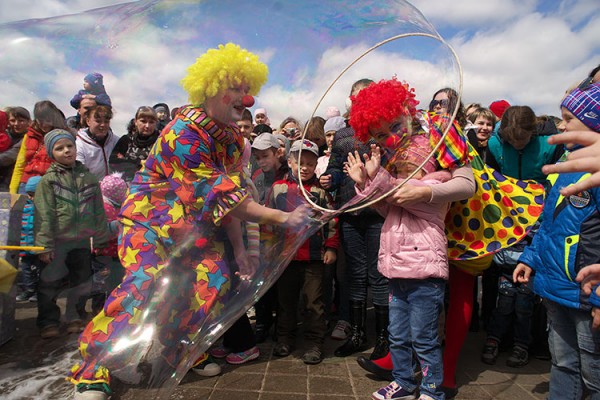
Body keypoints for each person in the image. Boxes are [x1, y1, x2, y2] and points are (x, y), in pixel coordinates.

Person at [68, 43, 309, 400]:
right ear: (211, 88)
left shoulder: (228, 138)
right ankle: (93, 370)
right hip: (148, 224)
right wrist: (283, 216)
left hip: (193, 229)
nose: (247, 99)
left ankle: (164, 351)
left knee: (214, 280)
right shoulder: (184, 133)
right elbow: (224, 197)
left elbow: (226, 201)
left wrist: (241, 250)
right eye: (238, 89)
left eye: (248, 89)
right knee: (143, 287)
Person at [346, 78, 453, 400]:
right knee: (398, 334)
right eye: (379, 134)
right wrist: (365, 181)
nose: (390, 138)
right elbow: (385, 206)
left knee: (424, 337)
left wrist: (376, 178)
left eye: (394, 126)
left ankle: (433, 389)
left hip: (423, 273)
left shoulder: (436, 180)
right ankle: (405, 382)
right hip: (397, 269)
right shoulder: (393, 176)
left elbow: (405, 198)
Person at [513, 82, 600, 399]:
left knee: (594, 374)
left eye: (568, 118)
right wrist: (530, 257)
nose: (560, 126)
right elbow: (548, 222)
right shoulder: (565, 166)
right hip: (555, 286)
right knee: (563, 364)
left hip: (587, 295)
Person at [320, 78, 389, 359]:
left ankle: (385, 337)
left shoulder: (383, 132)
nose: (361, 101)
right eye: (357, 97)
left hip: (377, 213)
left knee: (380, 273)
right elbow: (337, 168)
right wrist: (330, 178)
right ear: (350, 99)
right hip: (350, 213)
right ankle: (358, 334)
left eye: (367, 96)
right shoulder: (343, 135)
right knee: (355, 274)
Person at [268, 139, 339, 365]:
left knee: (313, 302)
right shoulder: (277, 187)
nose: (305, 167)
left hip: (314, 256)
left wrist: (331, 247)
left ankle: (315, 343)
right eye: (300, 162)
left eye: (310, 163)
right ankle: (284, 339)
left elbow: (332, 220)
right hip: (285, 257)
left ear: (316, 164)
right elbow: (267, 218)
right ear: (289, 162)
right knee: (285, 301)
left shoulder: (320, 192)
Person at [34, 129, 110, 339]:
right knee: (49, 283)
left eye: (70, 146)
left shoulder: (89, 178)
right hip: (58, 242)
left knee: (81, 282)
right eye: (59, 148)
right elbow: (43, 215)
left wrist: (101, 238)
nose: (66, 151)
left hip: (82, 241)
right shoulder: (48, 182)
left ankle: (74, 316)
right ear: (51, 153)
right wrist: (45, 246)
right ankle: (48, 321)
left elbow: (98, 211)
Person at [9, 100, 68, 194]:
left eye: (48, 120)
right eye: (40, 120)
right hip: (25, 185)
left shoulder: (63, 137)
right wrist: (13, 190)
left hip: (49, 186)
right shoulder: (28, 136)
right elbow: (20, 165)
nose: (44, 124)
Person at [109, 106, 160, 181]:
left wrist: (126, 161)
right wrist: (139, 163)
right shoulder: (126, 140)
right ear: (136, 122)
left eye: (151, 122)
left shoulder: (160, 142)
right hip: (128, 185)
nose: (147, 126)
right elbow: (113, 162)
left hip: (152, 186)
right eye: (143, 121)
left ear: (156, 123)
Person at [15, 176, 43, 302]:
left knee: (39, 271)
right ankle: (29, 290)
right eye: (29, 194)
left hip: (38, 247)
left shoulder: (45, 208)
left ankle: (38, 292)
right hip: (25, 245)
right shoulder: (23, 206)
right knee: (26, 270)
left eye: (34, 194)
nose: (31, 198)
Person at [76, 104, 120, 180]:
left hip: (115, 188)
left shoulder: (116, 141)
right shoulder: (79, 144)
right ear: (88, 121)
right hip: (91, 188)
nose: (103, 125)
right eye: (98, 121)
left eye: (106, 121)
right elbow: (80, 173)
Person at [0, 107, 30, 191]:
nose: (16, 124)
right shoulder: (4, 134)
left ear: (29, 122)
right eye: (12, 120)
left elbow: (9, 156)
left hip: (10, 182)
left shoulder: (28, 138)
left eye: (21, 120)